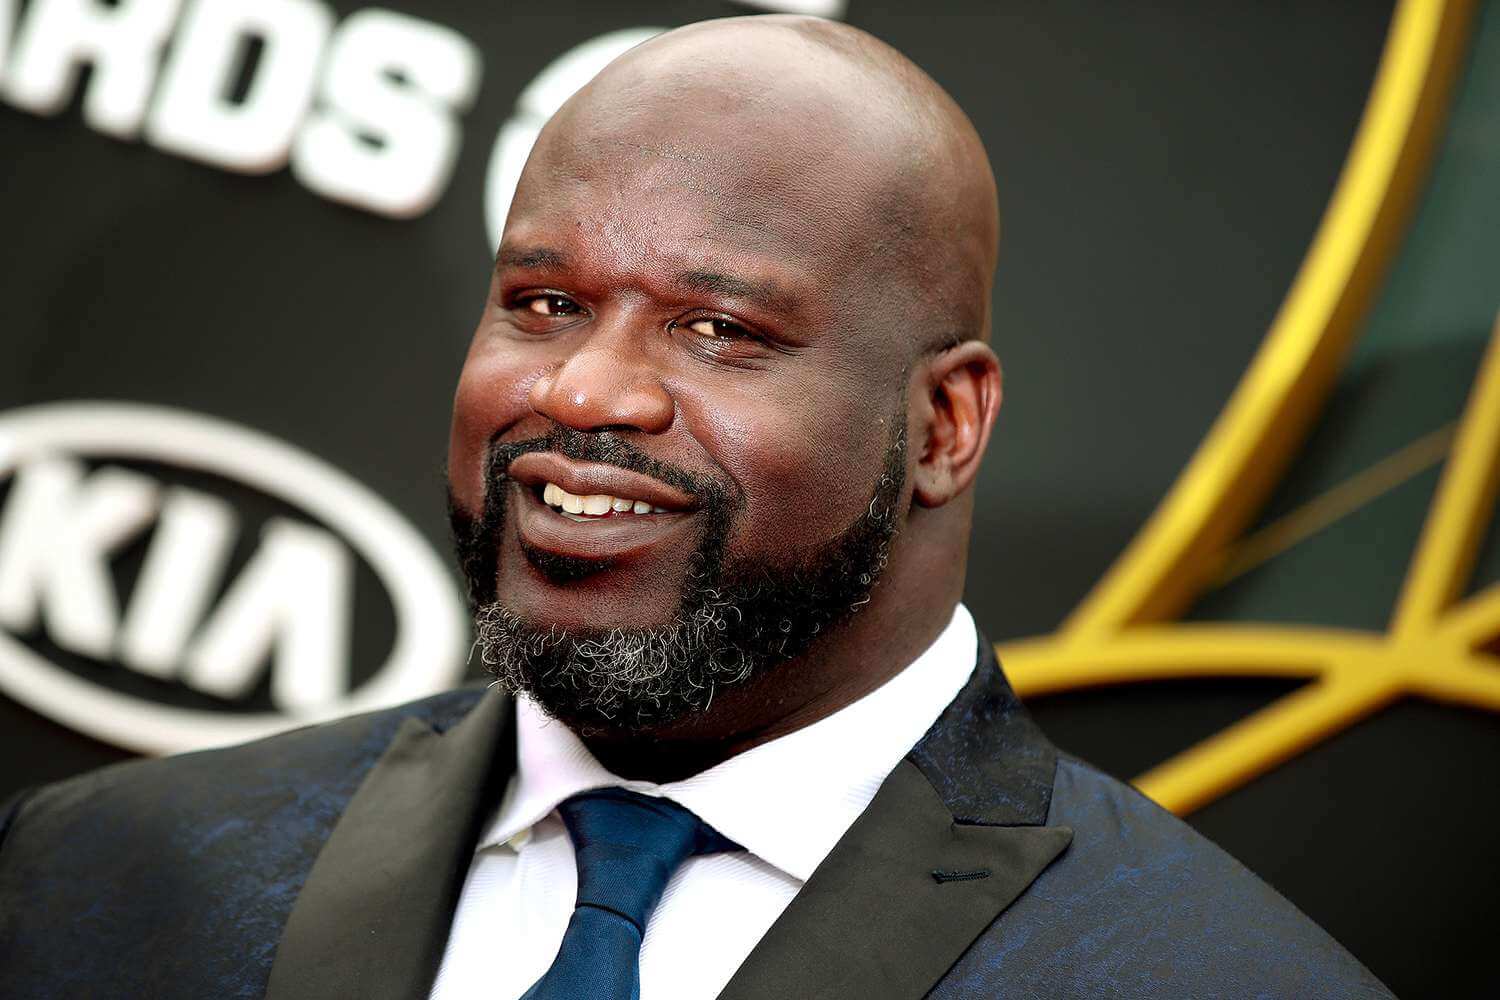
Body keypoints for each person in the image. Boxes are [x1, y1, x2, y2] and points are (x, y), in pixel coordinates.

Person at [0, 15, 1391, 999]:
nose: (586, 389)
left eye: (720, 331)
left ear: (945, 425)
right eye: (545, 302)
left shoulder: (1206, 977)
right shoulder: (102, 880)